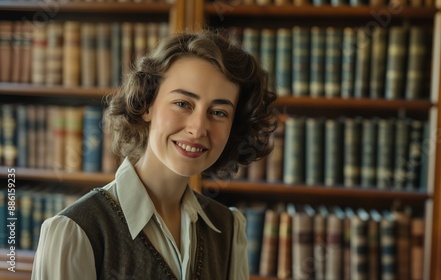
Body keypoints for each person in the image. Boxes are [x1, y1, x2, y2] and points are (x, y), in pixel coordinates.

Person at [31, 30, 277, 280]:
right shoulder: (76, 231)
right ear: (147, 105)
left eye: (219, 112)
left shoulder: (229, 229)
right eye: (183, 104)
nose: (198, 128)